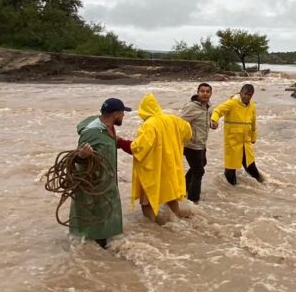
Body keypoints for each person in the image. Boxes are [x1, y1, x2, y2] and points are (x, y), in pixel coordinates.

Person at [71, 97, 133, 249]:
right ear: (116, 114)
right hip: (94, 185)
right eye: (122, 113)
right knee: (95, 224)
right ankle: (94, 256)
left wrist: (127, 145)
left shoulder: (107, 126)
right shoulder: (91, 133)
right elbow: (77, 159)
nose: (124, 116)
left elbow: (110, 140)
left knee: (106, 219)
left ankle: (103, 252)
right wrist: (82, 156)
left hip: (106, 183)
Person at [131, 92, 193, 224]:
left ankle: (152, 227)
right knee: (171, 196)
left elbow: (139, 148)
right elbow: (188, 132)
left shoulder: (149, 125)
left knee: (147, 201)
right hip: (171, 166)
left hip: (153, 169)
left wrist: (122, 143)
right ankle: (177, 221)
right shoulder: (173, 119)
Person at [210, 83, 265, 185]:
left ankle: (263, 183)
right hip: (232, 141)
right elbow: (217, 111)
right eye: (245, 94)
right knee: (230, 169)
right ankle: (231, 192)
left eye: (250, 95)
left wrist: (253, 137)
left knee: (250, 166)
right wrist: (214, 121)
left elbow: (253, 122)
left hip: (245, 141)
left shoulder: (252, 105)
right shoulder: (232, 103)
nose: (247, 97)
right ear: (240, 92)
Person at [179, 82, 213, 204]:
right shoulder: (191, 107)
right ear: (198, 92)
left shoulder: (208, 107)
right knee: (199, 171)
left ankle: (182, 188)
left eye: (207, 91)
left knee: (201, 164)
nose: (205, 94)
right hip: (191, 145)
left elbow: (207, 119)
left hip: (201, 143)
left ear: (211, 94)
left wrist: (212, 124)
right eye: (202, 91)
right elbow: (180, 123)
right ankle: (193, 200)